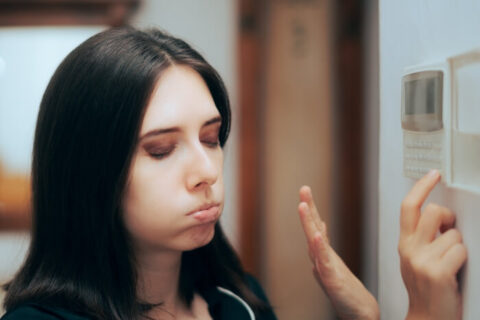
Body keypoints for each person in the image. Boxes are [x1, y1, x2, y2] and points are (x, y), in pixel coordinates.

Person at [0, 27, 466, 320]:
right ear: (87, 173)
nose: (207, 171)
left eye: (210, 138)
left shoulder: (238, 302)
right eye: (161, 150)